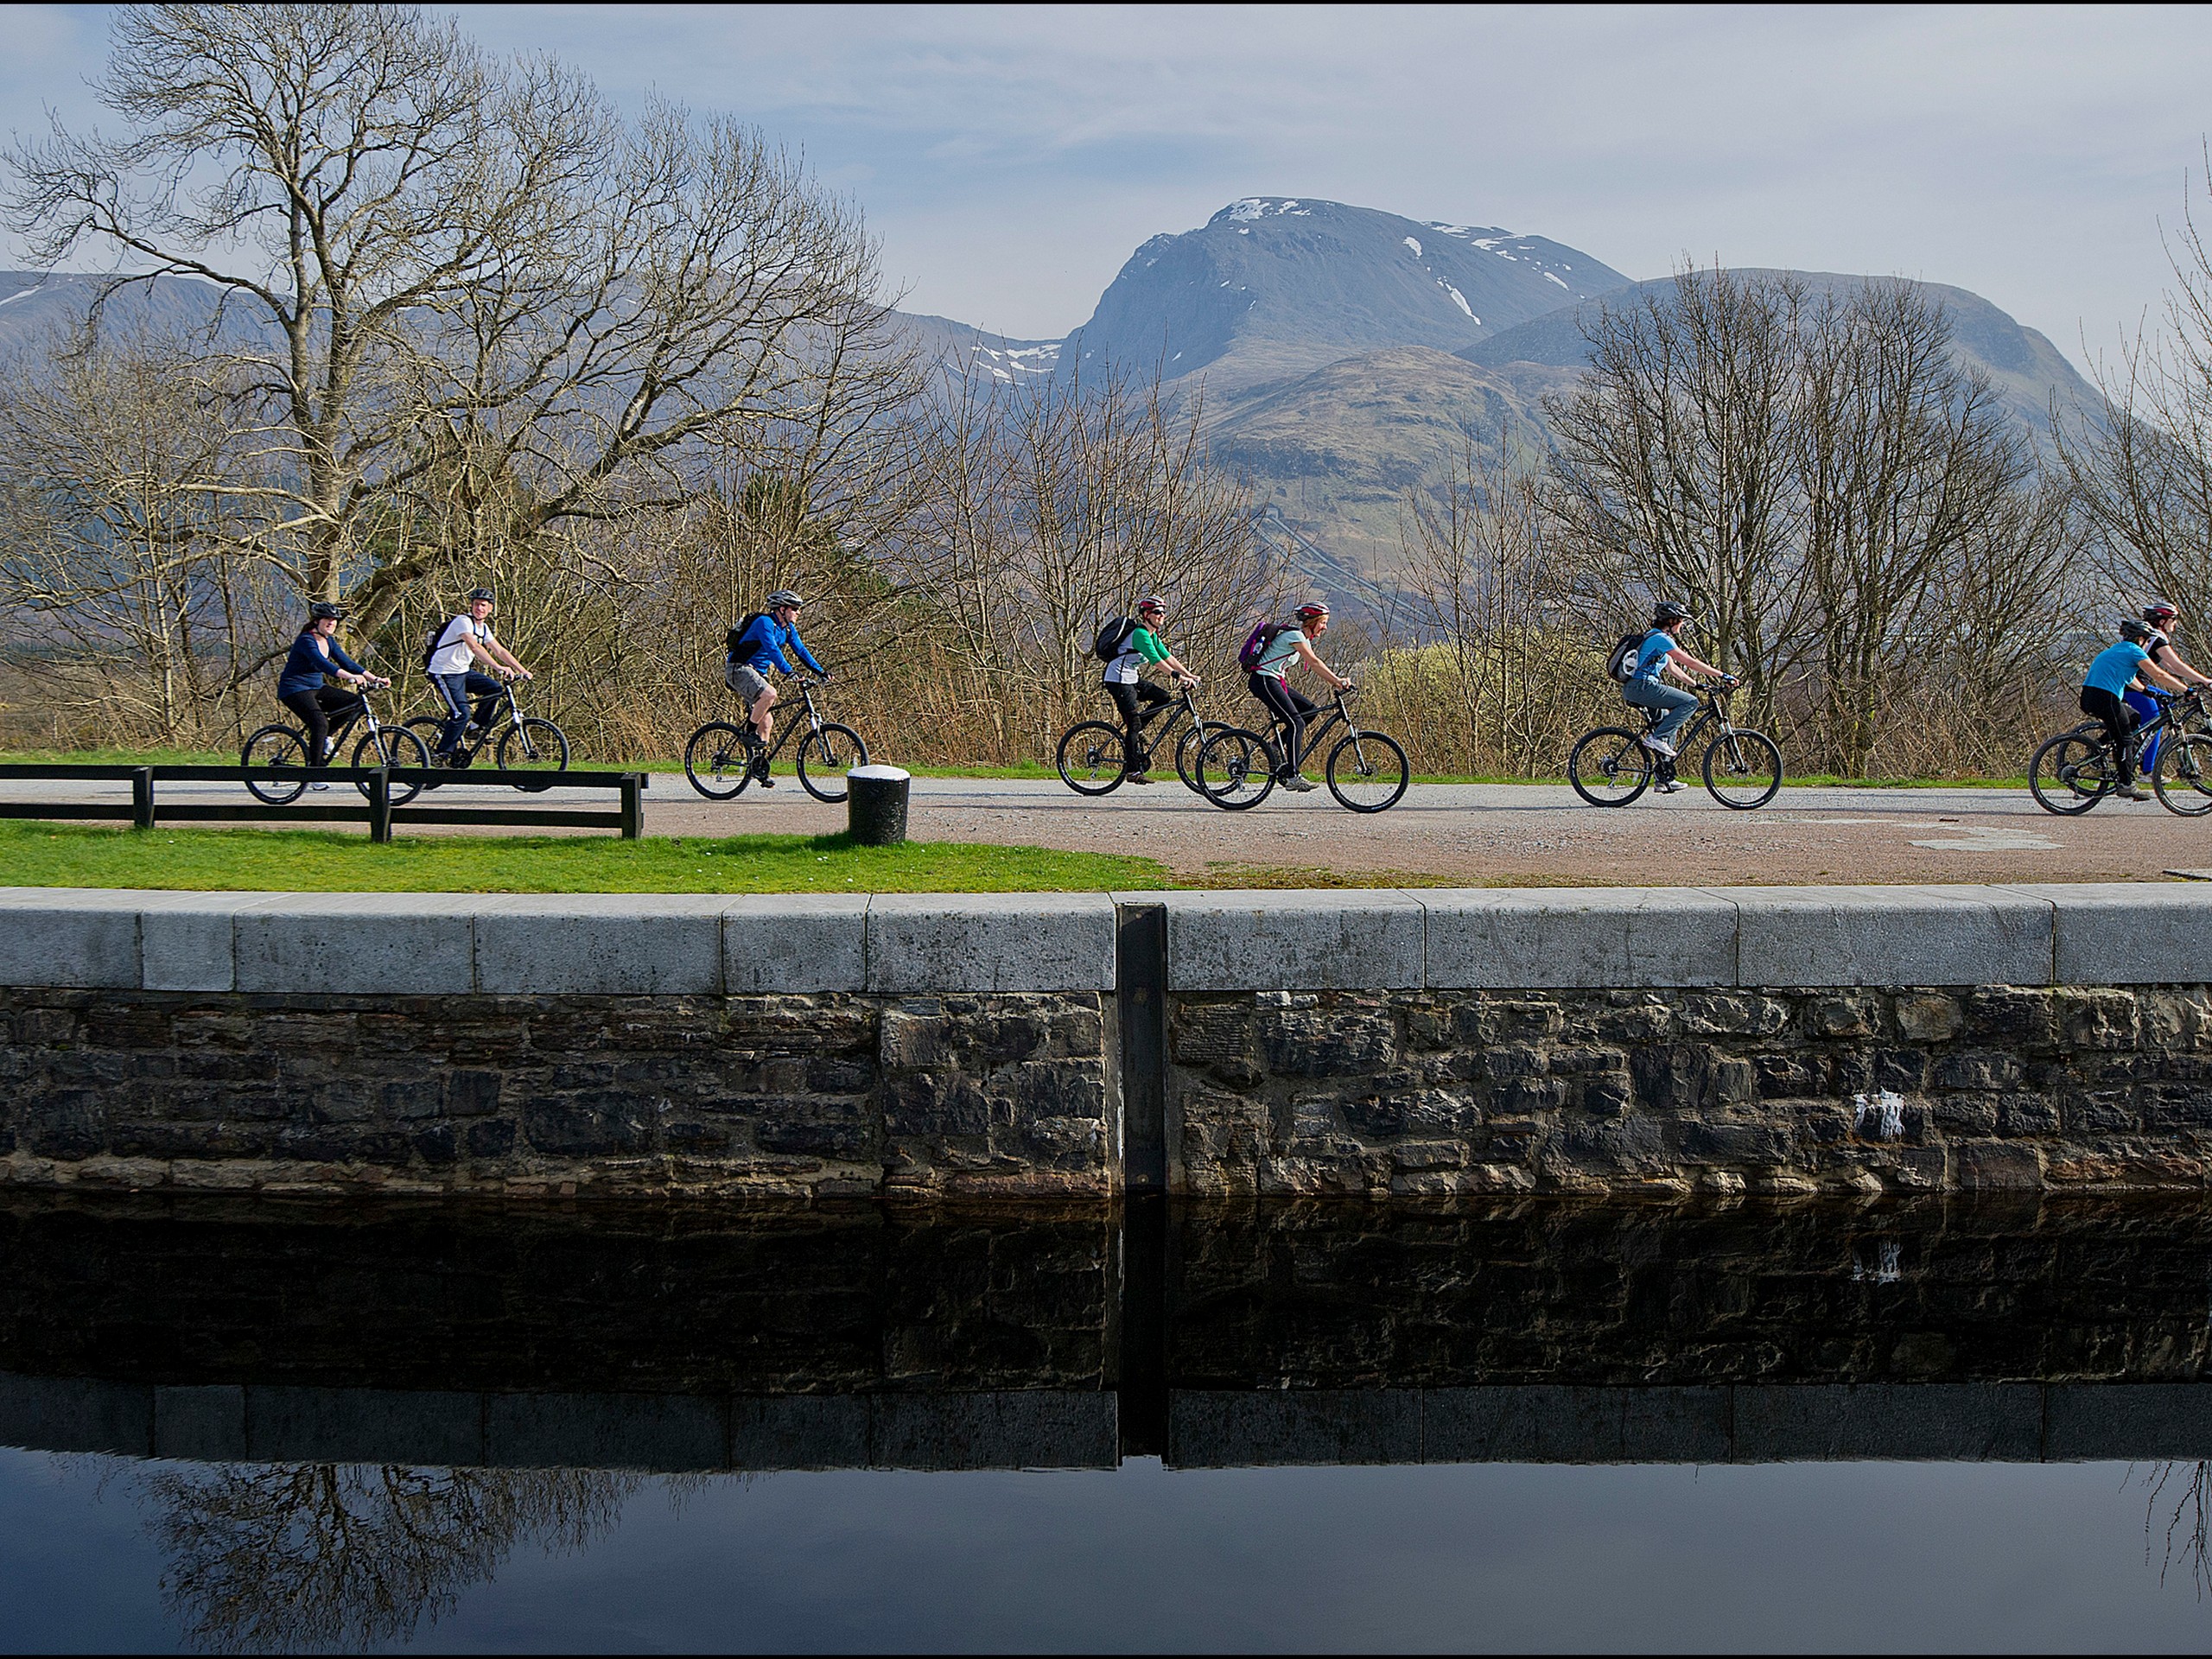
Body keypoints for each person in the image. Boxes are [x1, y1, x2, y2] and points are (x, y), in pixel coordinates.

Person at [1623, 601, 1734, 795]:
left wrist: (1697, 684)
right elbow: (1688, 661)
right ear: (1671, 620)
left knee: (1668, 720)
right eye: (1681, 621)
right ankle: (1656, 738)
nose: (1682, 624)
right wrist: (1722, 675)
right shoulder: (1661, 639)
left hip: (1641, 688)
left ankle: (1664, 779)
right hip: (1642, 687)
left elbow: (1674, 669)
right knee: (1690, 702)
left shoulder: (1656, 638)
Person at [276, 601, 389, 787]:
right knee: (319, 723)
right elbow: (323, 664)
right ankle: (315, 774)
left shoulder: (329, 641)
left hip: (315, 687)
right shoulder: (307, 640)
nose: (331, 623)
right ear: (317, 621)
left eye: (334, 620)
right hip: (294, 689)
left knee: (353, 703)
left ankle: (327, 737)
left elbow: (348, 662)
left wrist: (374, 678)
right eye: (327, 619)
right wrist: (349, 677)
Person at [1247, 601, 1353, 792]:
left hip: (1274, 681)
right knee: (1297, 723)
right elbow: (1314, 662)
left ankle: (1275, 747)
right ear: (1312, 622)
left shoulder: (1302, 638)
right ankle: (1293, 775)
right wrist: (1337, 681)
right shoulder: (1296, 636)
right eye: (1323, 622)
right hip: (1264, 680)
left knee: (1310, 711)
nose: (1325, 627)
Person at [726, 589, 827, 788]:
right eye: (795, 609)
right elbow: (772, 649)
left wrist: (820, 671)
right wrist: (789, 672)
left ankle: (759, 767)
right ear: (782, 609)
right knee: (770, 693)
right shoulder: (765, 623)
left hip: (757, 673)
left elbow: (801, 650)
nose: (798, 613)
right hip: (739, 669)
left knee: (768, 721)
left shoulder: (787, 629)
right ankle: (748, 732)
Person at [2083, 616, 2188, 801]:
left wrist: (2148, 692)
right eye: (2146, 640)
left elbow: (2129, 678)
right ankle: (2126, 784)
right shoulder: (2133, 651)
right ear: (2140, 638)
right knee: (2125, 738)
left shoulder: (2117, 650)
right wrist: (2186, 689)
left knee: (2133, 718)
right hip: (2105, 698)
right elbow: (2158, 674)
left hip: (2092, 696)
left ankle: (2100, 746)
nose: (2146, 643)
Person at [1103, 595, 1200, 785]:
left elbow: (1167, 656)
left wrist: (1190, 674)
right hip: (1118, 680)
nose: (1162, 615)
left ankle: (1140, 729)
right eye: (1157, 612)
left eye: (1163, 612)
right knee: (1133, 723)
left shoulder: (1152, 635)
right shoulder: (1140, 634)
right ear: (1146, 615)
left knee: (1163, 697)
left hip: (1131, 678)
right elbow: (1157, 661)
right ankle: (1132, 771)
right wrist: (1178, 677)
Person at [428, 588, 531, 761]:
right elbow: (475, 647)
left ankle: (475, 727)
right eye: (476, 605)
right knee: (462, 714)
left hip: (462, 671)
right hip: (444, 672)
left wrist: (522, 670)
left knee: (495, 689)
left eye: (483, 605)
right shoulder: (463, 621)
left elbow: (499, 650)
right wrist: (498, 668)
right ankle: (442, 753)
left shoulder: (483, 628)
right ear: (471, 606)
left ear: (490, 608)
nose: (479, 608)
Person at [2126, 601, 2212, 774]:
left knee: (2170, 704)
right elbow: (2176, 666)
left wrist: (2186, 687)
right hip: (2133, 687)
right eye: (2173, 619)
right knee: (2155, 722)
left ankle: (2137, 744)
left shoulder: (2151, 637)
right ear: (2162, 620)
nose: (2176, 623)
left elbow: (2170, 667)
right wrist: (2205, 681)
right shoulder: (2156, 637)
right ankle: (2147, 771)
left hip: (2140, 685)